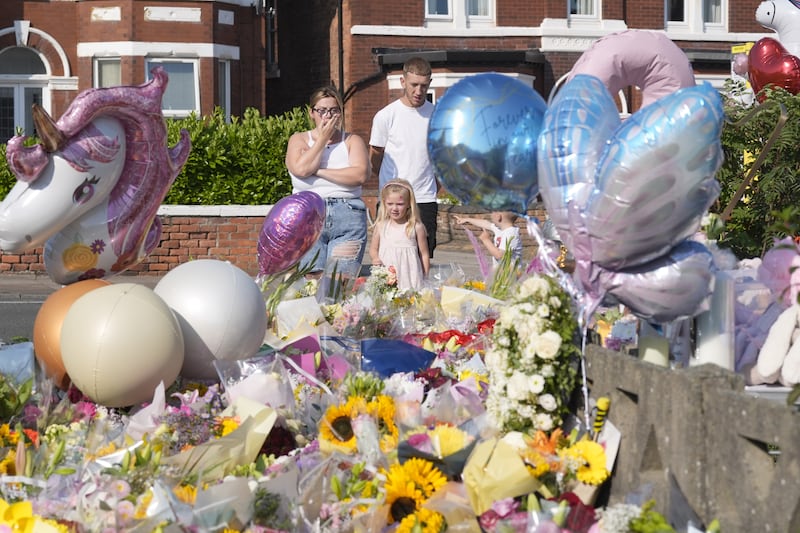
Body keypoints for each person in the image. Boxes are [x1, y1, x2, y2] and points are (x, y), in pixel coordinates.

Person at [285, 85, 369, 277]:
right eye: (322, 111)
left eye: (333, 110)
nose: (328, 116)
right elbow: (301, 169)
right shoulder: (299, 139)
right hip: (309, 215)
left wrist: (319, 171)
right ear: (311, 113)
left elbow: (359, 175)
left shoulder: (352, 141)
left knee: (340, 282)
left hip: (347, 214)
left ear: (340, 113)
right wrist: (322, 139)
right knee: (312, 279)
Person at [369, 56, 439, 257]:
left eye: (424, 86)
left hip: (424, 198)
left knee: (422, 257)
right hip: (393, 199)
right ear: (402, 82)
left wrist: (433, 185)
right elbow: (375, 154)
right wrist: (388, 185)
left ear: (430, 84)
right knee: (388, 256)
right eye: (414, 85)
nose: (419, 91)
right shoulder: (386, 115)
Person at [369, 179, 430, 291]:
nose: (394, 208)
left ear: (408, 204)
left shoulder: (415, 227)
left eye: (400, 204)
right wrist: (375, 258)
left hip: (410, 277)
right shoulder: (381, 226)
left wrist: (425, 276)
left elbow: (424, 254)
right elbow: (373, 248)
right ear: (384, 203)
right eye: (390, 204)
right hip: (387, 274)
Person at [454, 211, 522, 265]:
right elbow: (485, 223)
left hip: (510, 276)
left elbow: (499, 255)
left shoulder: (510, 233)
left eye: (492, 211)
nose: (491, 214)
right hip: (501, 273)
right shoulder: (501, 229)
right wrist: (467, 219)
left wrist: (486, 240)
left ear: (498, 216)